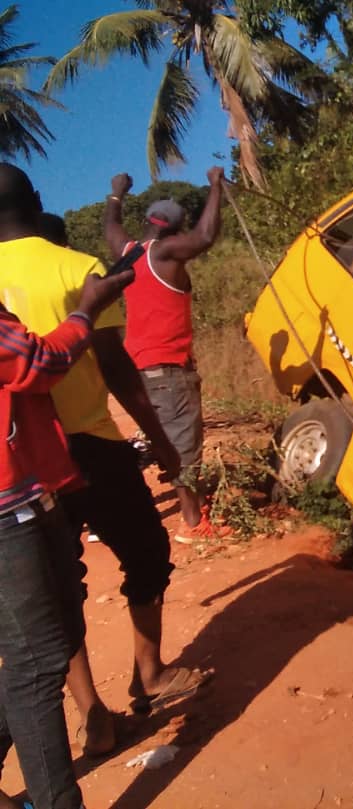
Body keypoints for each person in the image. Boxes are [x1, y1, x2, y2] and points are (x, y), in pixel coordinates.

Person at [0, 164, 208, 760]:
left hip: (22, 463)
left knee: (58, 587)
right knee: (146, 552)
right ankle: (150, 673)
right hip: (91, 441)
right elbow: (117, 369)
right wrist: (161, 444)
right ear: (36, 201)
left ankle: (94, 710)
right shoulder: (76, 268)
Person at [0, 194, 134, 809]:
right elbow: (37, 362)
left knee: (42, 646)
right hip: (9, 507)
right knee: (36, 662)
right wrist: (88, 308)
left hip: (29, 489)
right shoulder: (71, 270)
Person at [103, 168, 228, 544]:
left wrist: (116, 192)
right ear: (174, 230)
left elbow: (110, 225)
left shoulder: (128, 252)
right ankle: (193, 524)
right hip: (168, 370)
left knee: (161, 441)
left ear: (146, 223)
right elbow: (205, 236)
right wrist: (216, 187)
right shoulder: (166, 252)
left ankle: (114, 509)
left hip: (138, 367)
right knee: (183, 447)